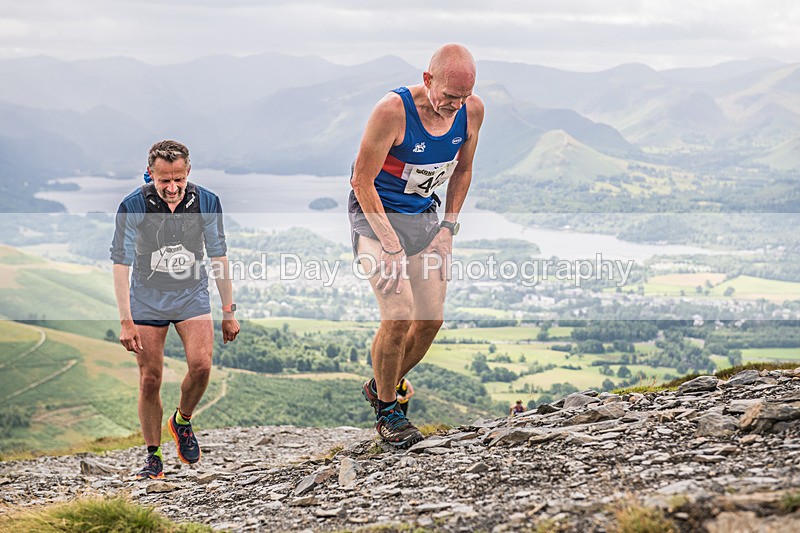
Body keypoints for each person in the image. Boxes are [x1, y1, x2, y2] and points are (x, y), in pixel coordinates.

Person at [350, 44, 484, 447]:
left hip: (424, 218)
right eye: (448, 97)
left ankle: (380, 386)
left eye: (462, 99)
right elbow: (361, 180)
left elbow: (463, 170)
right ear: (428, 81)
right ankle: (389, 412)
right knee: (398, 312)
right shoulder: (392, 111)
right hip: (375, 215)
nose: (454, 107)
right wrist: (389, 245)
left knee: (430, 320)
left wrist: (448, 227)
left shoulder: (472, 111)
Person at [110, 140, 240, 480]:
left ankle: (182, 420)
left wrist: (228, 310)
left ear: (188, 172)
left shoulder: (207, 202)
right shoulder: (133, 205)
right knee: (150, 379)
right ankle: (153, 457)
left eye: (178, 179)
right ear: (150, 172)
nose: (171, 188)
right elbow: (120, 263)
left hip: (190, 294)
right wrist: (126, 320)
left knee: (201, 366)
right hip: (147, 299)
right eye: (163, 179)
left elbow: (219, 255)